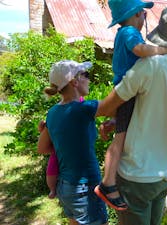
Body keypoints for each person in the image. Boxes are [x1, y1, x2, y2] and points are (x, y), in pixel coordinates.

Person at [95, 5, 167, 224]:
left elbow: (106, 106)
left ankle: (107, 184)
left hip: (137, 175)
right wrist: (119, 121)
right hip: (164, 175)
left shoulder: (149, 66)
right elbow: (153, 113)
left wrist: (73, 109)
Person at [37, 60, 109, 225]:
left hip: (66, 187)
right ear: (74, 82)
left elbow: (42, 148)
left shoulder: (53, 112)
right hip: (85, 188)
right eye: (86, 75)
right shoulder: (84, 109)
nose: (89, 79)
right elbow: (117, 102)